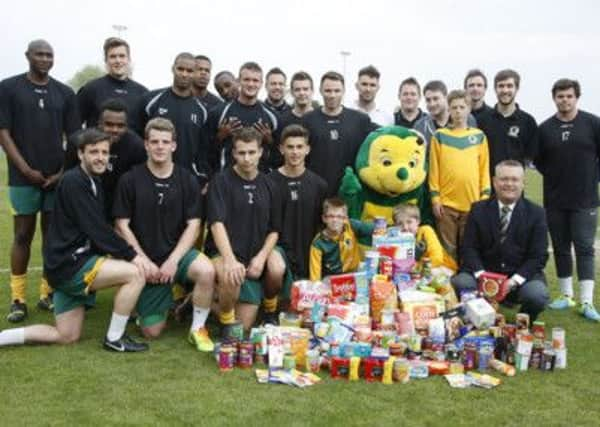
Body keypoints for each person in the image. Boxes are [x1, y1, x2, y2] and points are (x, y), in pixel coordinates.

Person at [0, 129, 148, 352]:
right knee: (136, 273)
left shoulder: (91, 181)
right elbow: (97, 229)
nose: (100, 157)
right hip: (71, 264)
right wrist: (133, 256)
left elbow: (98, 229)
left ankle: (3, 337)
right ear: (80, 154)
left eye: (104, 152)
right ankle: (115, 338)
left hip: (64, 265)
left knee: (66, 335)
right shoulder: (74, 182)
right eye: (93, 152)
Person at [113, 118, 216, 348]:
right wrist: (142, 260)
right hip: (145, 260)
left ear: (174, 146)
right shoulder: (130, 180)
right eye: (154, 141)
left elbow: (194, 224)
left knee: (207, 271)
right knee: (152, 332)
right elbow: (121, 225)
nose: (160, 146)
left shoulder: (187, 179)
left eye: (165, 141)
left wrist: (173, 260)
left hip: (176, 257)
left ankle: (198, 329)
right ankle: (158, 303)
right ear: (146, 145)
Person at [0, 39, 80, 321]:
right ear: (28, 56)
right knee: (22, 235)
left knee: (52, 237)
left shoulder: (65, 93)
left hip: (55, 179)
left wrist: (61, 173)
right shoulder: (8, 88)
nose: (45, 59)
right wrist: (25, 169)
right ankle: (18, 299)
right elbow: (4, 133)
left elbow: (74, 139)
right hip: (23, 179)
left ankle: (47, 293)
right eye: (40, 54)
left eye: (49, 54)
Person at [204, 127, 286, 332]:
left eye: (251, 152)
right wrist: (230, 260)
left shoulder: (269, 184)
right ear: (233, 154)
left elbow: (274, 230)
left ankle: (269, 312)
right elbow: (216, 224)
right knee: (230, 276)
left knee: (276, 267)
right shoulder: (220, 181)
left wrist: (260, 258)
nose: (247, 158)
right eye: (241, 153)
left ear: (260, 152)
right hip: (225, 253)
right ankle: (224, 321)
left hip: (256, 254)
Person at [451, 160, 549, 322]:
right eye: (504, 179)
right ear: (495, 182)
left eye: (514, 179)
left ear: (523, 183)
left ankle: (522, 324)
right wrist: (483, 276)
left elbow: (538, 257)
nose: (509, 184)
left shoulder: (537, 213)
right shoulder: (477, 209)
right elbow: (469, 248)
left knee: (536, 294)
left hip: (517, 278)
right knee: (461, 282)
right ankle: (478, 317)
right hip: (484, 274)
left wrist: (513, 281)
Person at [535, 78, 600, 321]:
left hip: (585, 201)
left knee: (584, 249)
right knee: (561, 248)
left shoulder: (592, 123)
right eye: (560, 96)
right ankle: (565, 295)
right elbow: (539, 161)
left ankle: (586, 301)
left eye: (569, 96)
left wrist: (592, 177)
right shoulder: (545, 129)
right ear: (554, 98)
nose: (565, 100)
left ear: (576, 97)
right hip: (555, 199)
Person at [429, 89, 490, 263]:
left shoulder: (478, 137)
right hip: (446, 205)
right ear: (448, 109)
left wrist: (484, 198)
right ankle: (449, 282)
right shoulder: (440, 136)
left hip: (472, 204)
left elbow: (484, 169)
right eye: (454, 107)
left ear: (469, 109)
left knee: (468, 247)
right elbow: (434, 170)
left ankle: (466, 281)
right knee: (448, 249)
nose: (458, 111)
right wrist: (435, 199)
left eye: (462, 107)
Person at [137, 52, 210, 186]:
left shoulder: (202, 111)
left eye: (189, 71)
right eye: (180, 69)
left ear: (194, 73)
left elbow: (203, 149)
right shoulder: (150, 101)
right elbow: (137, 135)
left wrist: (203, 176)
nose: (184, 74)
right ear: (173, 69)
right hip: (151, 176)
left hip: (187, 179)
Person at [65, 98, 146, 218]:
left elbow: (136, 187)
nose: (114, 130)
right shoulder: (77, 141)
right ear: (99, 123)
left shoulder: (137, 147)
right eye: (109, 124)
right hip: (84, 201)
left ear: (127, 126)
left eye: (120, 126)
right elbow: (68, 181)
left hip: (118, 203)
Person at [270, 124, 328, 279]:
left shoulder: (319, 185)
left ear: (307, 149)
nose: (295, 152)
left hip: (308, 258)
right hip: (277, 257)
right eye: (290, 147)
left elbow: (321, 226)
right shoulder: (268, 183)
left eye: (299, 147)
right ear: (281, 149)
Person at [303, 71, 374, 196]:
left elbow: (382, 137)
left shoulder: (360, 120)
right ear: (320, 91)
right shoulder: (308, 120)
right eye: (328, 91)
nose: (332, 95)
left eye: (337, 91)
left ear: (343, 91)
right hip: (315, 190)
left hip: (348, 191)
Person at [206, 62, 279, 172]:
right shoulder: (219, 113)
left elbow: (281, 152)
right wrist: (220, 136)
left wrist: (270, 140)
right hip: (228, 181)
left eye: (255, 81)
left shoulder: (272, 116)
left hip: (261, 180)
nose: (251, 84)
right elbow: (204, 150)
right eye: (246, 80)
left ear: (261, 83)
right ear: (239, 81)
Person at [476, 69, 537, 181]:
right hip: (487, 187)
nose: (505, 90)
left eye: (509, 86)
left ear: (517, 89)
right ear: (495, 89)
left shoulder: (528, 121)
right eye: (501, 86)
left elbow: (530, 157)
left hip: (514, 188)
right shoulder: (482, 121)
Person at [77, 37, 148, 130]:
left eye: (122, 56)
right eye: (113, 56)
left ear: (129, 59)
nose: (118, 61)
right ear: (106, 60)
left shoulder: (142, 93)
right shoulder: (90, 89)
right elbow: (75, 126)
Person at [309, 197, 373, 281]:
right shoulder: (318, 243)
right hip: (332, 280)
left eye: (339, 216)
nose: (335, 220)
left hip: (355, 275)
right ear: (324, 218)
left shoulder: (351, 226)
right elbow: (315, 278)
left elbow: (377, 228)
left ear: (345, 219)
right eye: (331, 216)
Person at [392, 203, 455, 271]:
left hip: (441, 268)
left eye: (409, 222)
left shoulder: (425, 231)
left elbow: (437, 259)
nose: (405, 227)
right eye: (400, 224)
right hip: (414, 270)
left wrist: (416, 267)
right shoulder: (397, 238)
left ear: (418, 221)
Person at [414, 80, 477, 147]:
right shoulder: (420, 126)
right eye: (428, 100)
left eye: (436, 99)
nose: (432, 104)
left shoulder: (467, 119)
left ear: (446, 98)